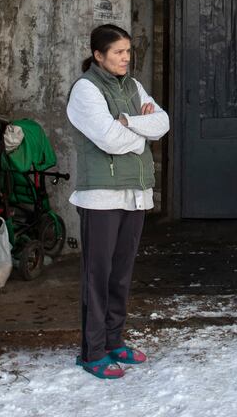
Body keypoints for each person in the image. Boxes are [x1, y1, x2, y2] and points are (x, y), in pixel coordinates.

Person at [66, 24, 169, 379]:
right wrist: (141, 134)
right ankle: (92, 351)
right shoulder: (85, 90)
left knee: (121, 275)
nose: (126, 58)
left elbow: (163, 122)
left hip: (135, 193)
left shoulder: (133, 85)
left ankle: (113, 341)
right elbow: (109, 139)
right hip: (101, 196)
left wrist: (128, 120)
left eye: (128, 51)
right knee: (98, 275)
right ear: (98, 55)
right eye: (118, 52)